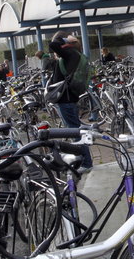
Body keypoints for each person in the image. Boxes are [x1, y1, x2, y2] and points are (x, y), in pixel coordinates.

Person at [49, 31, 93, 173]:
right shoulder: (75, 55)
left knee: (75, 131)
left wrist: (61, 39)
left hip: (66, 99)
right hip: (70, 98)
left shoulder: (70, 54)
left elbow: (53, 44)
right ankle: (84, 161)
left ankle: (86, 163)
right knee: (76, 129)